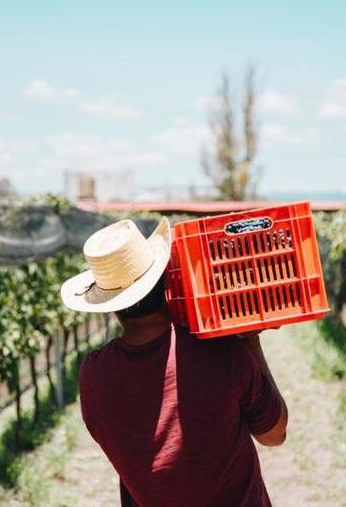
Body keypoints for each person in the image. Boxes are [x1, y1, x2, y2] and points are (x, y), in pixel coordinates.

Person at [60, 217, 288, 507]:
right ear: (166, 279)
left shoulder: (92, 375)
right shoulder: (221, 351)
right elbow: (274, 433)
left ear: (111, 307)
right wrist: (250, 340)